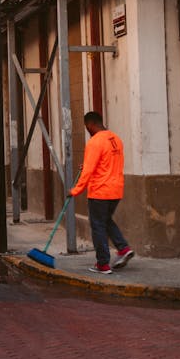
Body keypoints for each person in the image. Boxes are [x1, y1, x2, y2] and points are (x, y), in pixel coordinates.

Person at [69, 111, 134, 275]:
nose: (87, 130)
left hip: (100, 191)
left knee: (97, 226)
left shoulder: (94, 142)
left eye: (86, 127)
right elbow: (106, 163)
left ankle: (103, 264)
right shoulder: (116, 139)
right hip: (116, 189)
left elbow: (89, 170)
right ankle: (123, 248)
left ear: (90, 124)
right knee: (105, 221)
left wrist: (76, 190)